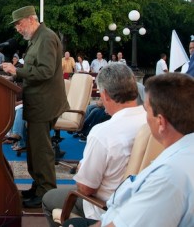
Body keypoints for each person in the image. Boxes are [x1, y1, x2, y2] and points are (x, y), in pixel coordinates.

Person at [63, 73, 194, 227]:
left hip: (105, 211)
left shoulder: (168, 178)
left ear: (160, 122)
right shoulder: (183, 154)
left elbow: (120, 223)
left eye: (147, 110)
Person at [42, 62, 146, 226]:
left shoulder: (103, 133)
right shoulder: (152, 123)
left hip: (106, 207)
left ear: (104, 95)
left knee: (48, 199)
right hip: (143, 205)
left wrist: (81, 168)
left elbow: (85, 188)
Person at [0, 5, 69, 208]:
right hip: (38, 101)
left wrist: (17, 71)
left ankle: (46, 193)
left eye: (19, 24)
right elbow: (36, 68)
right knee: (34, 148)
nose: (18, 29)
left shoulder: (46, 38)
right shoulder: (37, 39)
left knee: (41, 150)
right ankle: (38, 186)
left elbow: (45, 72)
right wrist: (17, 72)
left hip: (44, 103)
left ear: (31, 19)